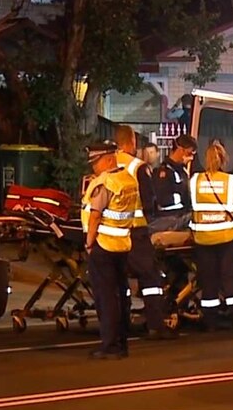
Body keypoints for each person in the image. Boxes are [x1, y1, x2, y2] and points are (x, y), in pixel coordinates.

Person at [114, 126, 176, 340]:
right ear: (132, 142)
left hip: (111, 232)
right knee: (151, 278)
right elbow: (149, 202)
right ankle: (155, 325)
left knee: (119, 279)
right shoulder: (137, 167)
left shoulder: (108, 164)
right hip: (136, 231)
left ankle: (121, 323)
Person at [190, 142, 233, 332]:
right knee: (230, 281)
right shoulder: (230, 182)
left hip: (203, 239)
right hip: (227, 239)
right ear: (224, 160)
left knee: (208, 282)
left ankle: (210, 321)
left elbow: (190, 208)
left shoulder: (195, 181)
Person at [81, 142, 140, 360]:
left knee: (106, 298)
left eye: (96, 162)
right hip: (122, 245)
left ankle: (110, 344)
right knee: (120, 295)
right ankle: (122, 342)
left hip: (103, 246)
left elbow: (95, 215)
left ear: (108, 159)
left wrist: (89, 242)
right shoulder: (128, 180)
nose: (94, 167)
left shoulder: (106, 182)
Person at [152, 134, 197, 228]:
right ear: (180, 150)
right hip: (168, 220)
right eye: (189, 154)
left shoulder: (182, 171)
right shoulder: (163, 172)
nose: (191, 158)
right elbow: (163, 199)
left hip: (181, 217)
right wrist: (181, 196)